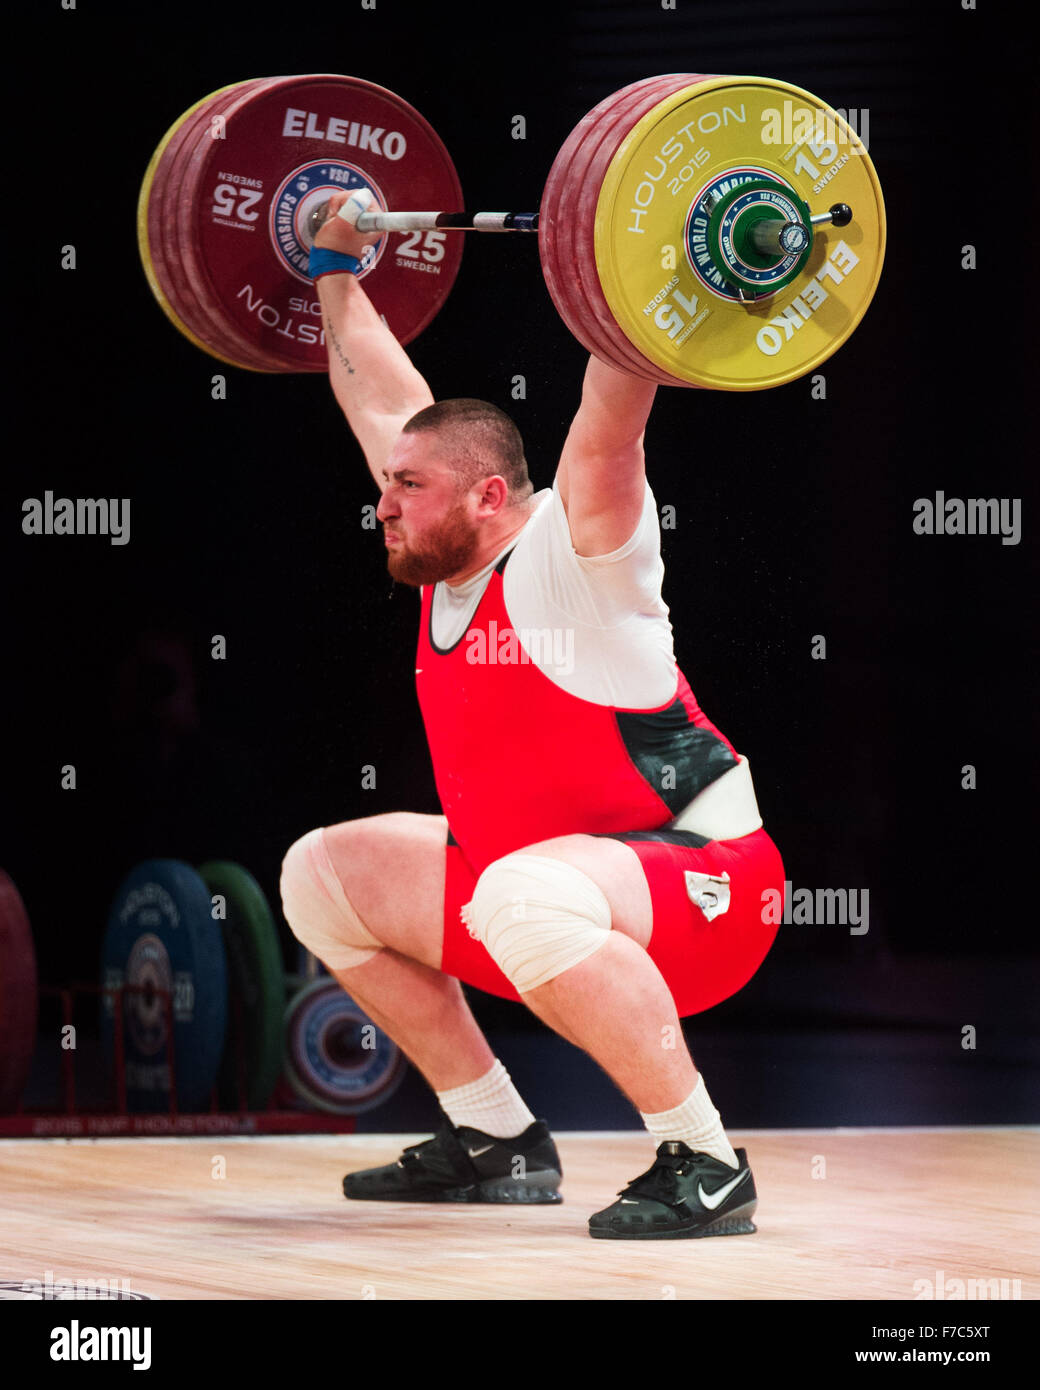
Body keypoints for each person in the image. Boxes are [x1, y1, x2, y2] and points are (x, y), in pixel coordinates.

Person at [279, 189, 785, 1240]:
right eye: (389, 482)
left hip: (707, 883)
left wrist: (641, 285)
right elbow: (377, 390)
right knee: (318, 876)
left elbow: (609, 427)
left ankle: (704, 1158)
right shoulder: (438, 559)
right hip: (559, 887)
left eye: (406, 485)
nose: (382, 499)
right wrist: (335, 270)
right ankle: (493, 1138)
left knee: (514, 892)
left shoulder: (579, 552)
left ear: (487, 500)